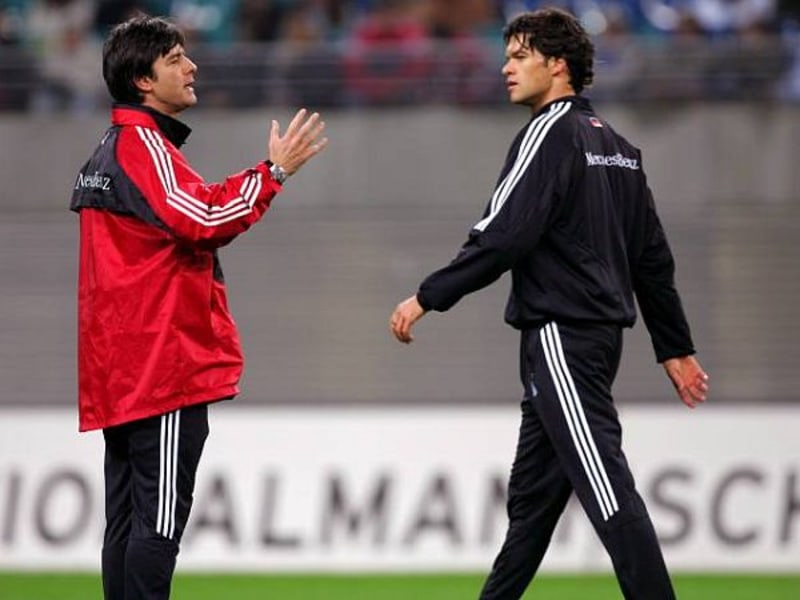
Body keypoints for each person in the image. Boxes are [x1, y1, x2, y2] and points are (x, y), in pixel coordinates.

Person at [389, 8, 708, 600]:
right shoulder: (619, 150)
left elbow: (504, 233)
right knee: (533, 505)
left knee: (607, 487)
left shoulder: (548, 132)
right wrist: (676, 348)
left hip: (561, 337)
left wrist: (428, 296)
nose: (505, 67)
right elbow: (652, 261)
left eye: (518, 56)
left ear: (557, 65)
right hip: (595, 341)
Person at [70, 14, 326, 600]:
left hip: (124, 368)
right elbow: (204, 218)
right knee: (157, 524)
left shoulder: (109, 150)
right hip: (160, 367)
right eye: (176, 58)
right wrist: (274, 172)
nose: (192, 67)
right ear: (142, 80)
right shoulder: (140, 144)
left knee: (127, 522)